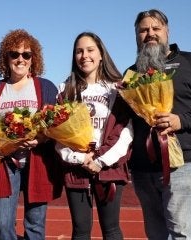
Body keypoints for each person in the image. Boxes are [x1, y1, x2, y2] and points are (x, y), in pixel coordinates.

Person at [127, 9, 191, 239]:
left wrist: (182, 120)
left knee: (184, 235)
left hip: (182, 167)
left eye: (155, 28)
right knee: (155, 235)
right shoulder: (131, 74)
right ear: (137, 35)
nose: (150, 34)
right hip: (143, 170)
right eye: (143, 30)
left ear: (167, 32)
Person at [0, 29, 63, 240]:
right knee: (2, 223)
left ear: (33, 58)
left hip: (37, 161)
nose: (20, 59)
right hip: (4, 162)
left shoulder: (45, 87)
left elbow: (55, 126)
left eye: (26, 54)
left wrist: (41, 138)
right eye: (14, 54)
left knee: (35, 224)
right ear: (6, 57)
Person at [55, 32, 133, 239]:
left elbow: (126, 131)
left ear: (101, 54)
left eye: (90, 50)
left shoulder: (118, 87)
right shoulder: (65, 89)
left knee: (111, 228)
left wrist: (101, 160)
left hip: (108, 167)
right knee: (80, 230)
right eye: (79, 51)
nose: (84, 55)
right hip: (77, 169)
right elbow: (58, 135)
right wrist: (80, 158)